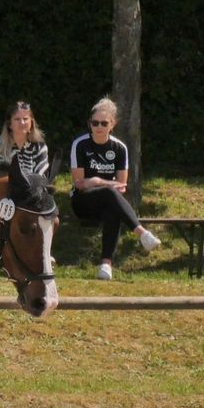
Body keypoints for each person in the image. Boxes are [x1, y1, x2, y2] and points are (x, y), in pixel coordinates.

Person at [69, 96, 160, 280]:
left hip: (107, 201)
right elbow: (80, 184)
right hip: (82, 201)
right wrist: (101, 183)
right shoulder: (80, 144)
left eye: (104, 123)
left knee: (113, 206)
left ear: (113, 124)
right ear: (89, 123)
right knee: (109, 193)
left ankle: (105, 265)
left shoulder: (120, 148)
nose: (99, 127)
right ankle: (142, 233)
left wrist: (96, 181)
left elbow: (122, 185)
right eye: (95, 123)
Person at [0, 100, 49, 175]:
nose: (22, 123)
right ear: (9, 124)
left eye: (25, 119)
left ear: (31, 122)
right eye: (17, 119)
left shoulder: (39, 147)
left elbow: (40, 179)